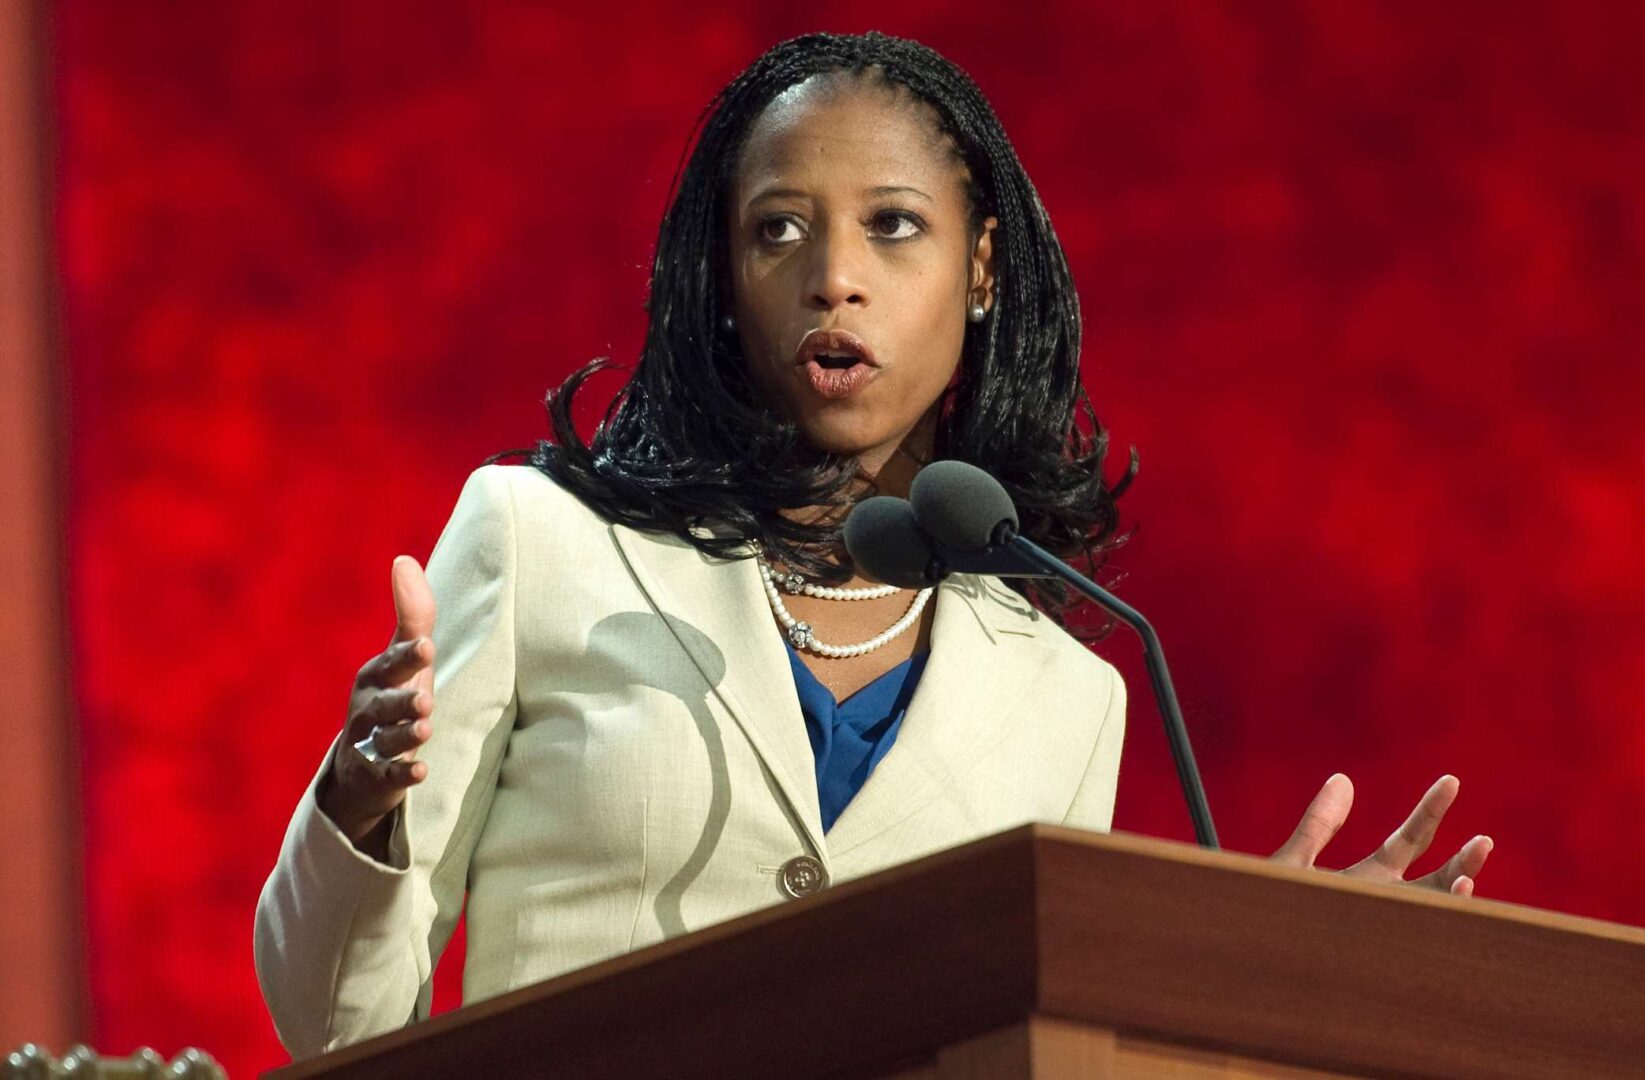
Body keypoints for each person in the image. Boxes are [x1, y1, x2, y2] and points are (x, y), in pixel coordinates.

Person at [254, 30, 1493, 1059]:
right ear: (723, 281)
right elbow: (333, 1027)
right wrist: (360, 810)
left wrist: (1245, 999)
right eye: (779, 231)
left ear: (980, 269)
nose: (833, 276)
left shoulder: (1067, 695)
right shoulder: (543, 543)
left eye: (893, 225)